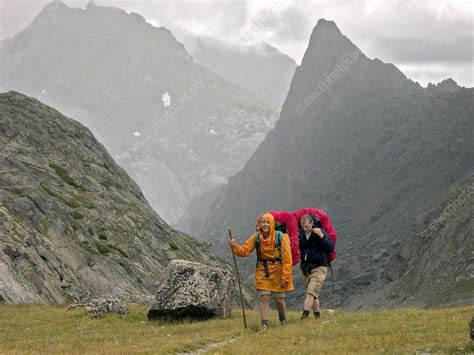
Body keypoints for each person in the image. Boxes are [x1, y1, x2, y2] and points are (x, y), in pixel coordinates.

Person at [229, 212, 294, 330]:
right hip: (262, 271)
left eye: (267, 222)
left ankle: (283, 319)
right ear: (260, 224)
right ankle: (264, 324)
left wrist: (286, 277)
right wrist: (234, 246)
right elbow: (244, 251)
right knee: (264, 298)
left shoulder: (281, 237)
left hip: (278, 272)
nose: (265, 225)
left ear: (272, 224)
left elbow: (287, 259)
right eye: (263, 222)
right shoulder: (256, 237)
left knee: (279, 300)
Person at [298, 214, 334, 320]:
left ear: (312, 223)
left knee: (311, 292)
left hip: (320, 266)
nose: (305, 229)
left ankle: (304, 317)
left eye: (307, 226)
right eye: (303, 226)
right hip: (307, 267)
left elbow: (330, 247)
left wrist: (322, 236)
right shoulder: (300, 235)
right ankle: (317, 317)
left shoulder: (320, 231)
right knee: (313, 294)